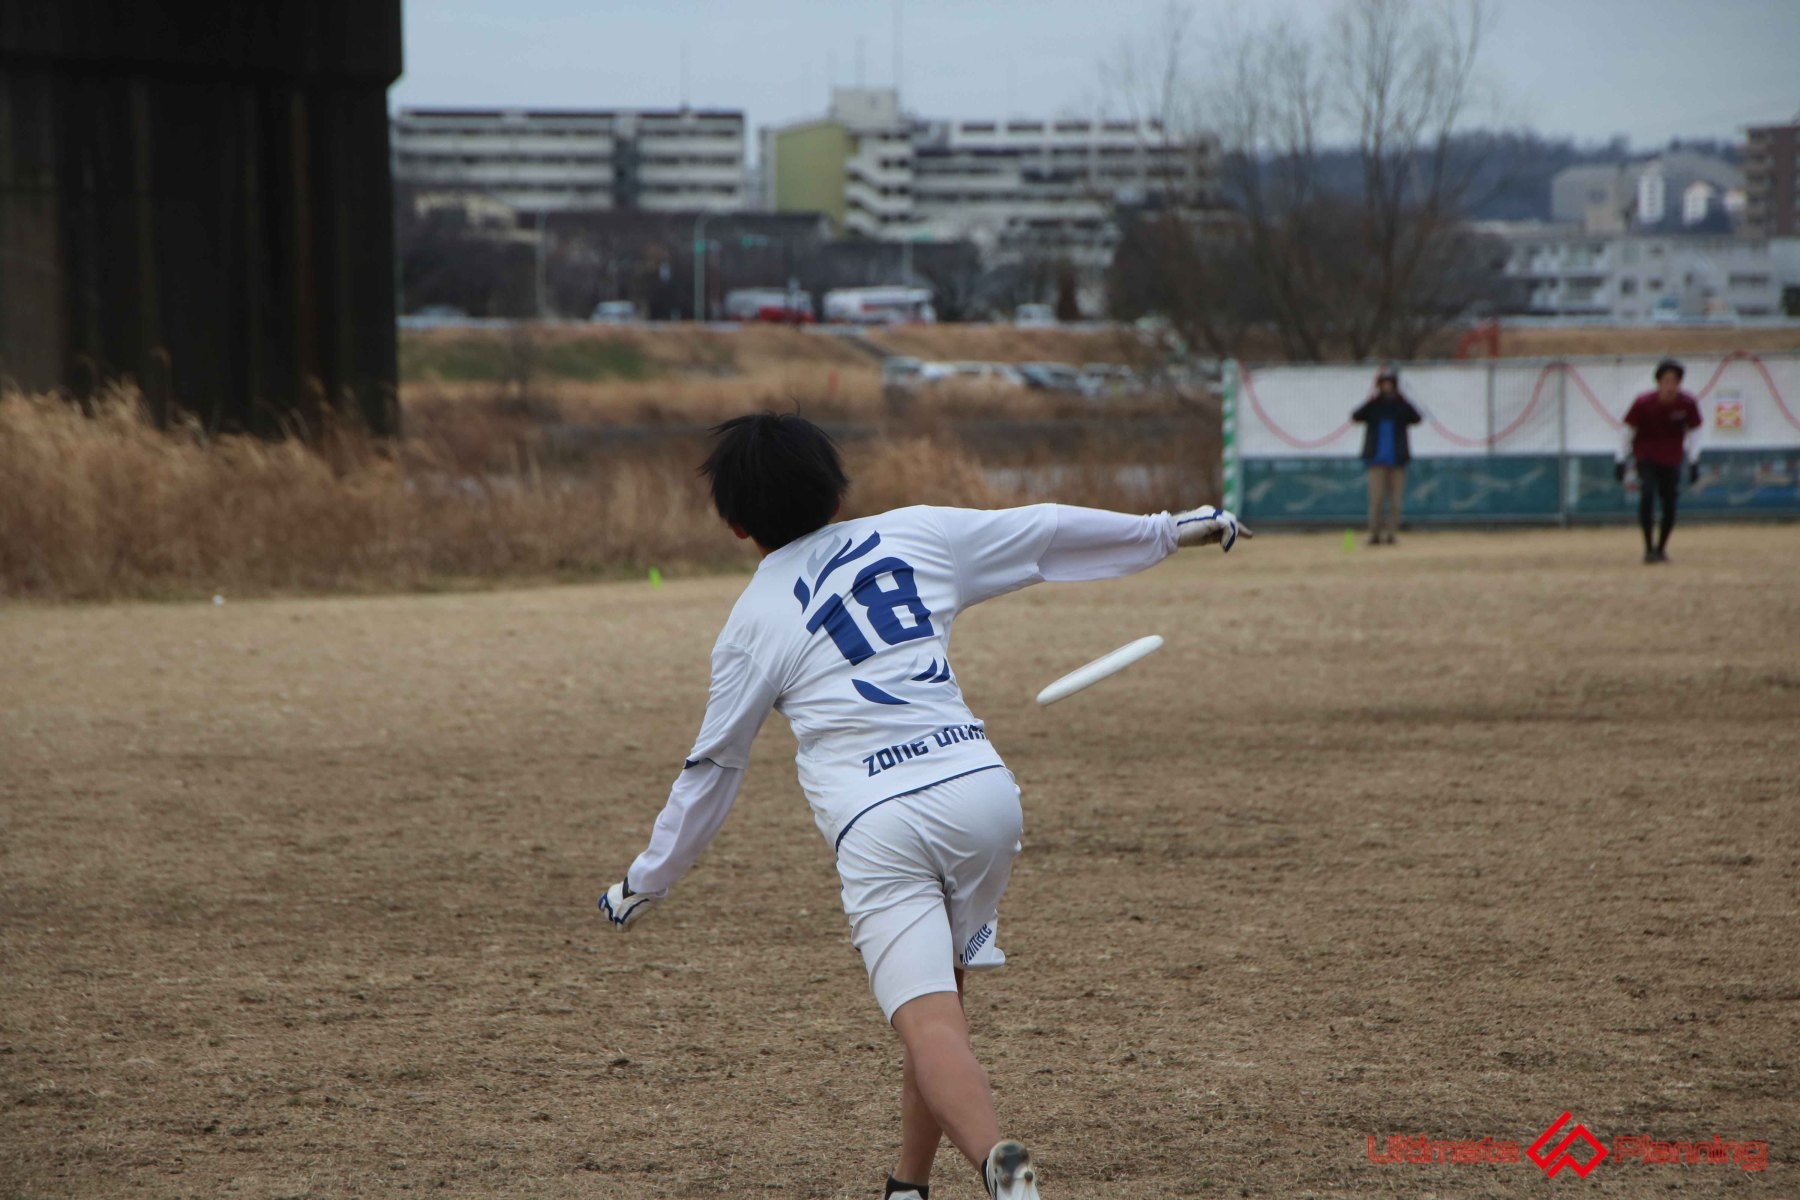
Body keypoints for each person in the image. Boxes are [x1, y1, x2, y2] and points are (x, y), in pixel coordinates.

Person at [598, 413, 1250, 1200]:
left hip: (881, 824)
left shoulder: (749, 625)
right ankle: (907, 1185)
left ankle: (1000, 1164)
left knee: (930, 1021)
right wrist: (1171, 529)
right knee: (940, 1011)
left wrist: (646, 880)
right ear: (838, 494)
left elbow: (712, 770)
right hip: (982, 795)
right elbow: (1045, 530)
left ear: (736, 525)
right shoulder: (916, 532)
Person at [1616, 359, 1704, 564]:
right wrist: (1620, 459)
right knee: (1647, 494)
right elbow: (1627, 430)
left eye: (1674, 381)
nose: (1670, 386)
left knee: (1669, 503)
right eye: (1666, 381)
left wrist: (1694, 461)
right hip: (1646, 456)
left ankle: (1661, 548)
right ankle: (1648, 548)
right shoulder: (1643, 403)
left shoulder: (1687, 404)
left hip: (1672, 458)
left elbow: (1695, 432)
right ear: (1658, 382)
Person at [1351, 367, 1423, 546]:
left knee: (1396, 502)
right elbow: (1356, 416)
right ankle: (1374, 534)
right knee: (1376, 501)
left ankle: (1391, 534)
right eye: (1384, 384)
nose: (1387, 387)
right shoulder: (1374, 406)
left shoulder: (1401, 406)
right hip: (1376, 461)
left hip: (1397, 461)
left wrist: (1403, 401)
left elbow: (1417, 418)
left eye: (1390, 384)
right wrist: (1371, 400)